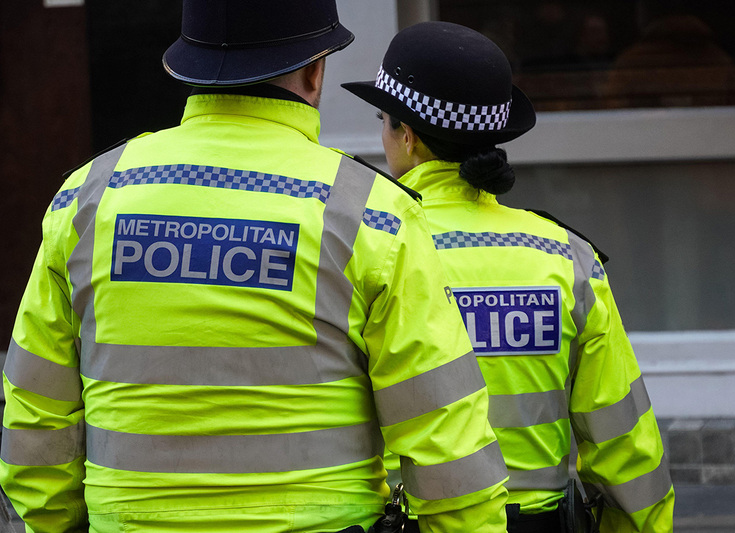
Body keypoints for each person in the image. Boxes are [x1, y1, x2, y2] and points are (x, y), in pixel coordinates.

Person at [0, 3, 510, 532]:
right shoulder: (371, 214)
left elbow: (36, 411)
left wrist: (54, 523)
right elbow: (446, 438)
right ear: (316, 70)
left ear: (188, 66)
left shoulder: (86, 199)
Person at [342, 21, 675, 532]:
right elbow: (627, 448)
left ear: (406, 136)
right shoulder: (564, 256)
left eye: (383, 119)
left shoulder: (368, 246)